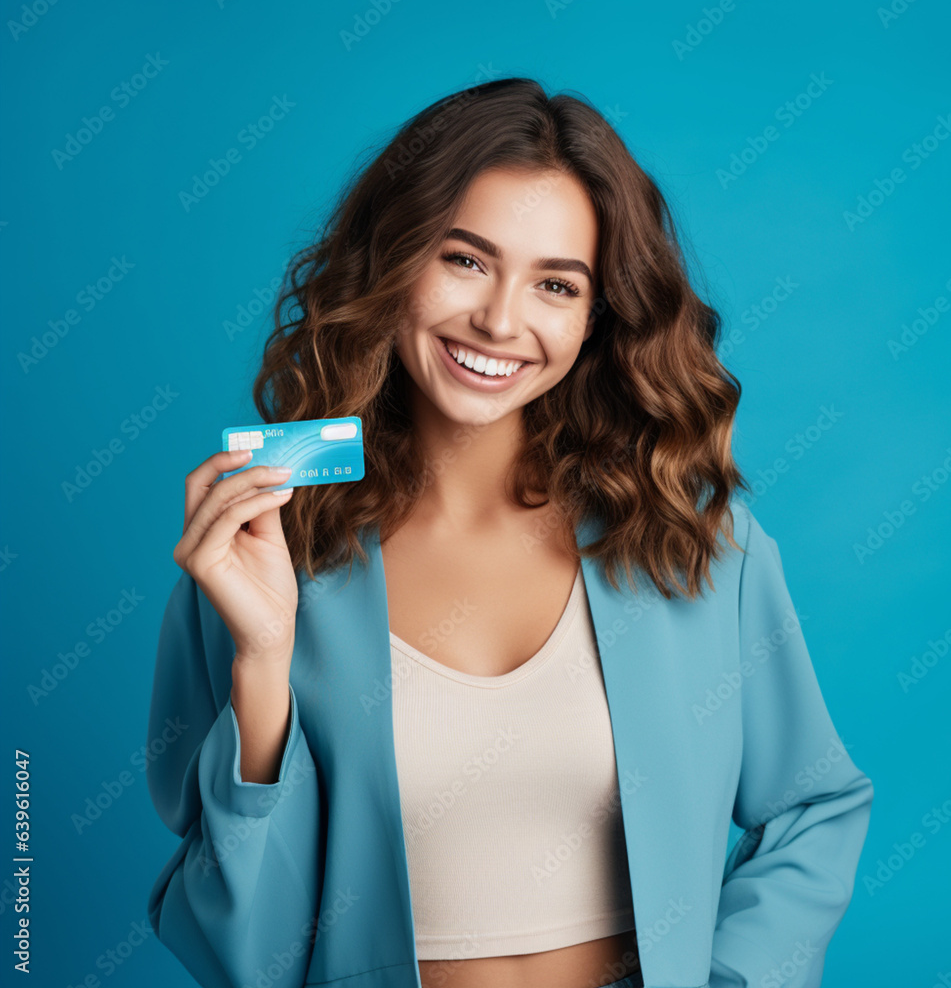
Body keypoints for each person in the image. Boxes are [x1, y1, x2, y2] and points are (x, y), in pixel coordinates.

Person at [145, 77, 874, 988]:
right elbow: (238, 948)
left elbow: (816, 805)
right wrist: (261, 663)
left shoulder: (691, 545)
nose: (499, 320)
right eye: (465, 260)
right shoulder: (269, 555)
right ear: (394, 259)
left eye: (556, 284)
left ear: (596, 317)